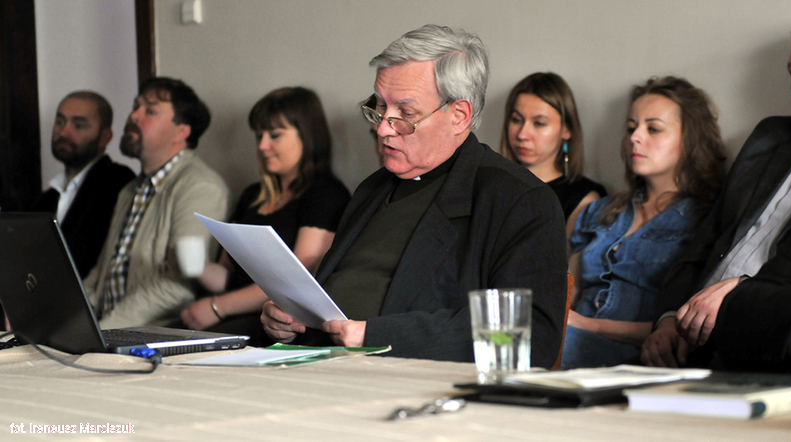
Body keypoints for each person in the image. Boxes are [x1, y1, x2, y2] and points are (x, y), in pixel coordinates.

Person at [261, 24, 567, 366]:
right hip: (316, 364)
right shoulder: (373, 189)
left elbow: (529, 334)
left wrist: (374, 336)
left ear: (459, 116)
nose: (382, 128)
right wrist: (291, 322)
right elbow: (337, 292)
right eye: (380, 107)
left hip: (407, 378)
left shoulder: (518, 201)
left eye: (405, 114)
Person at [641, 24, 791, 372]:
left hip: (760, 350)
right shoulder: (770, 136)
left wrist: (740, 293)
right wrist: (667, 319)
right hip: (686, 343)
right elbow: (706, 241)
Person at [562, 77, 726, 368]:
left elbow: (687, 325)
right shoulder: (598, 211)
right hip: (570, 342)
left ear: (690, 139)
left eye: (653, 128)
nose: (635, 137)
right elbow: (567, 291)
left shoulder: (706, 219)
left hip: (637, 357)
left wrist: (588, 326)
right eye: (631, 128)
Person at [180, 87, 350, 345]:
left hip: (278, 324)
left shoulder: (326, 194)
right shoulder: (252, 195)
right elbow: (227, 277)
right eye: (259, 135)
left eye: (275, 135)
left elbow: (297, 282)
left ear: (307, 136)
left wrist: (217, 307)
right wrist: (193, 266)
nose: (262, 146)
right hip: (233, 315)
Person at [83, 77, 230, 329]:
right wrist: (70, 322)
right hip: (108, 331)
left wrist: (103, 332)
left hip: (152, 337)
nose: (134, 115)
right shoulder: (129, 190)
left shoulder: (200, 186)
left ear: (181, 132)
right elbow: (103, 273)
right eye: (136, 107)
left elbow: (178, 288)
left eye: (150, 111)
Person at [31, 91, 135, 277]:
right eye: (60, 122)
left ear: (104, 137)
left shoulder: (117, 182)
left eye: (78, 125)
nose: (63, 132)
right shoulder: (46, 199)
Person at [500, 72, 606, 236]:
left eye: (539, 123)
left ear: (566, 129)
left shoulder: (584, 198)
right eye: (516, 120)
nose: (522, 134)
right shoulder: (490, 184)